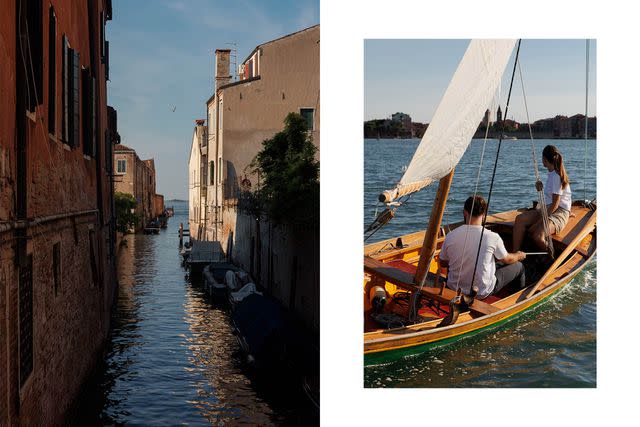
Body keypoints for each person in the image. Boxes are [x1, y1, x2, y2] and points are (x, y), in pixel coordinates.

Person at [439, 195, 526, 300]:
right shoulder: (493, 237)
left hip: (454, 289)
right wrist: (519, 255)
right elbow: (508, 259)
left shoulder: (450, 236)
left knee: (496, 263)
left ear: (465, 212)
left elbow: (443, 263)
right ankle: (515, 301)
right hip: (481, 292)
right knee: (519, 266)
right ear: (484, 215)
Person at [512, 145, 572, 252]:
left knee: (537, 235)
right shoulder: (552, 173)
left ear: (545, 159)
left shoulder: (556, 177)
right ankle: (515, 254)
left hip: (558, 212)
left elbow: (556, 204)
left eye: (542, 158)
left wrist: (540, 221)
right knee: (519, 219)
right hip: (548, 208)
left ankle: (551, 258)